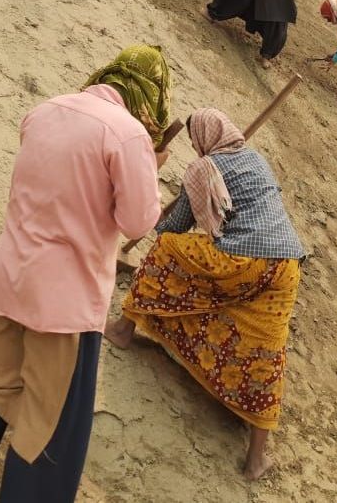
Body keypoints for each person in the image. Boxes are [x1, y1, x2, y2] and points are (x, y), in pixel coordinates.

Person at [0, 45, 172, 503]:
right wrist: (150, 166)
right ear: (151, 95)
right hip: (65, 308)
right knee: (45, 428)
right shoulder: (129, 134)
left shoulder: (45, 110)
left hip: (10, 282)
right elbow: (138, 221)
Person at [104, 108, 306, 482]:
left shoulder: (203, 169)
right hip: (285, 266)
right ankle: (256, 458)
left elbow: (177, 227)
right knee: (265, 349)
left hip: (241, 262)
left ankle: (122, 329)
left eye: (196, 140)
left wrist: (156, 217)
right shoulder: (255, 160)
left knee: (168, 250)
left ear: (201, 140)